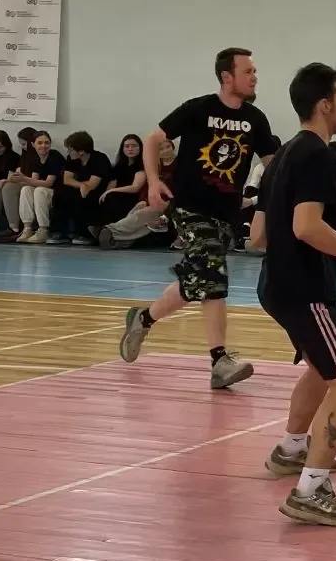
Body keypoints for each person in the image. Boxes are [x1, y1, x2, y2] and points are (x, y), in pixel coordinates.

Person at [250, 62, 336, 527]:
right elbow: (306, 226)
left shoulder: (282, 156)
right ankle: (311, 490)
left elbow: (257, 236)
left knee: (322, 368)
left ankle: (292, 449)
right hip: (305, 290)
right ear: (324, 105)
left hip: (275, 285)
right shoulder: (318, 156)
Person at [118, 47, 277, 390]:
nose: (254, 77)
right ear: (226, 77)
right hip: (189, 207)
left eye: (254, 72)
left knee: (199, 280)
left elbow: (272, 164)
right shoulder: (198, 109)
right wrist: (154, 181)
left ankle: (143, 319)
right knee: (213, 270)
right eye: (248, 71)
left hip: (227, 214)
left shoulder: (256, 119)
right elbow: (153, 139)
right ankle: (219, 361)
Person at [101, 140, 177, 248]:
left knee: (142, 215)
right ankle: (119, 242)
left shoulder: (180, 166)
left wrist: (169, 203)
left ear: (173, 147)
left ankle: (111, 230)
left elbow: (182, 189)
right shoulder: (155, 167)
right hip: (151, 201)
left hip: (168, 204)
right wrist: (144, 200)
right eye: (161, 149)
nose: (165, 151)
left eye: (168, 147)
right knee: (136, 212)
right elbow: (147, 187)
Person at [47, 131, 112, 243]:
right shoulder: (72, 159)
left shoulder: (99, 159)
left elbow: (92, 185)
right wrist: (81, 184)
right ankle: (58, 232)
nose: (68, 152)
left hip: (99, 192)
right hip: (80, 189)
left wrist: (82, 186)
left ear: (81, 151)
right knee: (60, 194)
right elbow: (67, 179)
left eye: (70, 149)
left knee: (81, 197)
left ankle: (86, 234)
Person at [13, 130, 62, 243]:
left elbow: (49, 183)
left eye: (46, 143)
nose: (43, 146)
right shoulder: (35, 158)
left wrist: (24, 178)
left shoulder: (54, 156)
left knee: (39, 190)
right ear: (33, 144)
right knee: (26, 189)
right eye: (39, 143)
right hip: (44, 192)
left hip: (58, 193)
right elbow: (33, 181)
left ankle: (43, 230)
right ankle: (27, 228)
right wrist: (17, 179)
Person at [94, 134, 149, 231]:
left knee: (111, 198)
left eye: (134, 146)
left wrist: (112, 191)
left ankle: (109, 230)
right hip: (118, 196)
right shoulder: (120, 165)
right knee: (103, 198)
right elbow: (112, 183)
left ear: (140, 148)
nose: (130, 149)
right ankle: (103, 229)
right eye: (127, 146)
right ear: (122, 149)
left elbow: (135, 188)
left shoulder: (142, 165)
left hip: (133, 198)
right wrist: (107, 192)